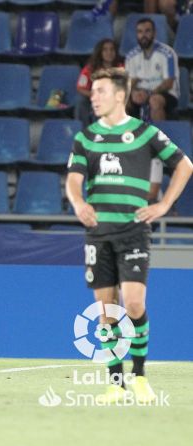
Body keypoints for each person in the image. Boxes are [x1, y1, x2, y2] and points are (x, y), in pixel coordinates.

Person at [66, 67, 192, 404]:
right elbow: (74, 179)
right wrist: (78, 203)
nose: (94, 97)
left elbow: (185, 165)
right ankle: (114, 383)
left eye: (101, 91)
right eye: (93, 92)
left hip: (133, 231)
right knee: (107, 311)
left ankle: (139, 376)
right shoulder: (85, 138)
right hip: (98, 234)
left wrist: (165, 203)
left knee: (134, 304)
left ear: (120, 95)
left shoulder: (144, 133)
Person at [125, 18, 180, 122]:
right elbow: (130, 82)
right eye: (140, 32)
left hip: (165, 93)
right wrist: (133, 93)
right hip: (141, 92)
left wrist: (149, 93)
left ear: (154, 33)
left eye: (147, 31)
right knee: (121, 102)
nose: (143, 35)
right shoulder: (131, 56)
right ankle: (127, 137)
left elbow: (169, 83)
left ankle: (158, 137)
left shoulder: (167, 53)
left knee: (154, 101)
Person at [76, 39, 123, 127]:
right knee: (81, 102)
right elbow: (80, 88)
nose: (109, 52)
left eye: (112, 49)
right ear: (100, 52)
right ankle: (85, 132)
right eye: (105, 50)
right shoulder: (90, 68)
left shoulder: (121, 68)